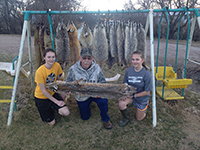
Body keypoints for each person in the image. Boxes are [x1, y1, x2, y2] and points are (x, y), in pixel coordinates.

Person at [65, 47, 112, 129]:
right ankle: (87, 105)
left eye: (89, 58)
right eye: (84, 58)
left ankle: (105, 119)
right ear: (80, 58)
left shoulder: (97, 68)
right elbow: (68, 82)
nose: (86, 60)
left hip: (95, 94)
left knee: (104, 101)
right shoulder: (73, 69)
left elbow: (102, 81)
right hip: (82, 97)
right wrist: (68, 90)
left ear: (92, 58)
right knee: (85, 117)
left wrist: (100, 93)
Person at [34, 48, 70, 126]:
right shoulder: (39, 72)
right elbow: (43, 91)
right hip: (41, 97)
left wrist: (61, 92)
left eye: (53, 57)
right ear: (44, 58)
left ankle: (54, 108)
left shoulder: (56, 65)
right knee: (52, 123)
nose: (51, 59)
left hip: (53, 92)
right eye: (49, 57)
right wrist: (57, 101)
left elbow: (57, 80)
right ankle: (50, 111)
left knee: (66, 112)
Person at [118, 50, 152, 127]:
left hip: (141, 98)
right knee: (121, 104)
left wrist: (134, 96)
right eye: (133, 59)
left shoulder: (147, 73)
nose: (134, 62)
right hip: (131, 95)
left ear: (142, 60)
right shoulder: (129, 70)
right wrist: (125, 94)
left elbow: (147, 92)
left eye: (137, 59)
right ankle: (126, 118)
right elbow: (125, 84)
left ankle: (144, 107)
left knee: (139, 118)